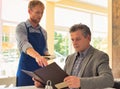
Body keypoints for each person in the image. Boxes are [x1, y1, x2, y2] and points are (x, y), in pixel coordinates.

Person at [33, 23, 114, 89]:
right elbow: (62, 82)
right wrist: (44, 84)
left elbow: (108, 80)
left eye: (78, 39)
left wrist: (80, 82)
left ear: (88, 38)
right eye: (72, 39)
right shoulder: (69, 58)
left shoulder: (100, 56)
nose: (74, 43)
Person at [16, 0, 49, 86]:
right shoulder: (21, 27)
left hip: (40, 73)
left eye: (42, 13)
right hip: (25, 71)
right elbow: (24, 44)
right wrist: (37, 56)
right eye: (37, 12)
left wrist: (47, 56)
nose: (40, 15)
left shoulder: (44, 32)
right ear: (29, 11)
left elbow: (44, 50)